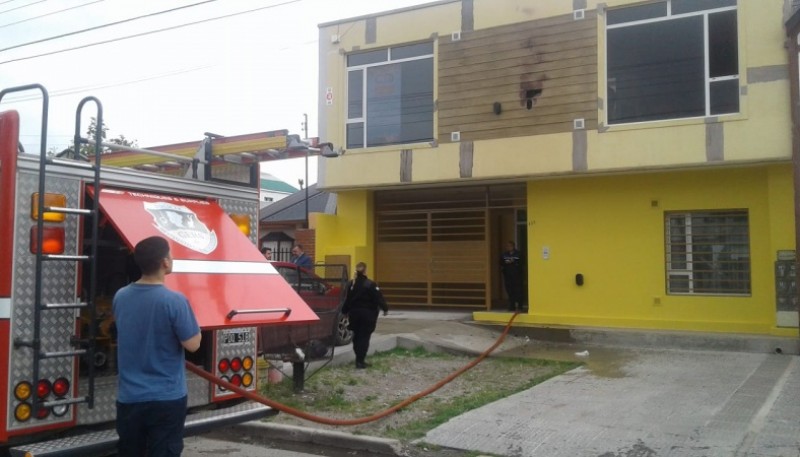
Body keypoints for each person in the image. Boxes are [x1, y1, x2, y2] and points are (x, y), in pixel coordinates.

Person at [113, 236, 201, 457]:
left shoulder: (120, 296)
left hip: (129, 397)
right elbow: (192, 345)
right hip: (166, 397)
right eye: (170, 254)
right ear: (165, 262)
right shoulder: (175, 301)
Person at [341, 262, 388, 369]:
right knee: (364, 337)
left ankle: (358, 358)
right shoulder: (370, 284)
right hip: (367, 315)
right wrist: (385, 308)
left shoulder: (351, 284)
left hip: (354, 314)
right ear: (365, 270)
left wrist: (344, 311)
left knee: (356, 336)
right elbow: (378, 298)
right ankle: (360, 361)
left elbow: (347, 300)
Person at [500, 241, 524, 312]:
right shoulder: (504, 254)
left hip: (517, 276)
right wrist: (506, 262)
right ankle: (512, 306)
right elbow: (501, 262)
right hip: (508, 275)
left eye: (510, 246)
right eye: (507, 246)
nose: (508, 247)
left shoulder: (518, 254)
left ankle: (520, 306)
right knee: (510, 291)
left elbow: (522, 263)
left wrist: (513, 262)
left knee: (518, 291)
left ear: (513, 246)